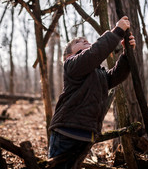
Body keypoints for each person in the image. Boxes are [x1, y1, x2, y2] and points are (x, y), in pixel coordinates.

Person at [48, 16, 136, 169]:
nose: (84, 40)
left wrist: (126, 55)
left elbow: (116, 76)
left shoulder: (99, 73)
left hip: (87, 135)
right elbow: (93, 54)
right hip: (66, 131)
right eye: (78, 42)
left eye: (85, 39)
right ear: (68, 55)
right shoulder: (72, 64)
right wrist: (117, 32)